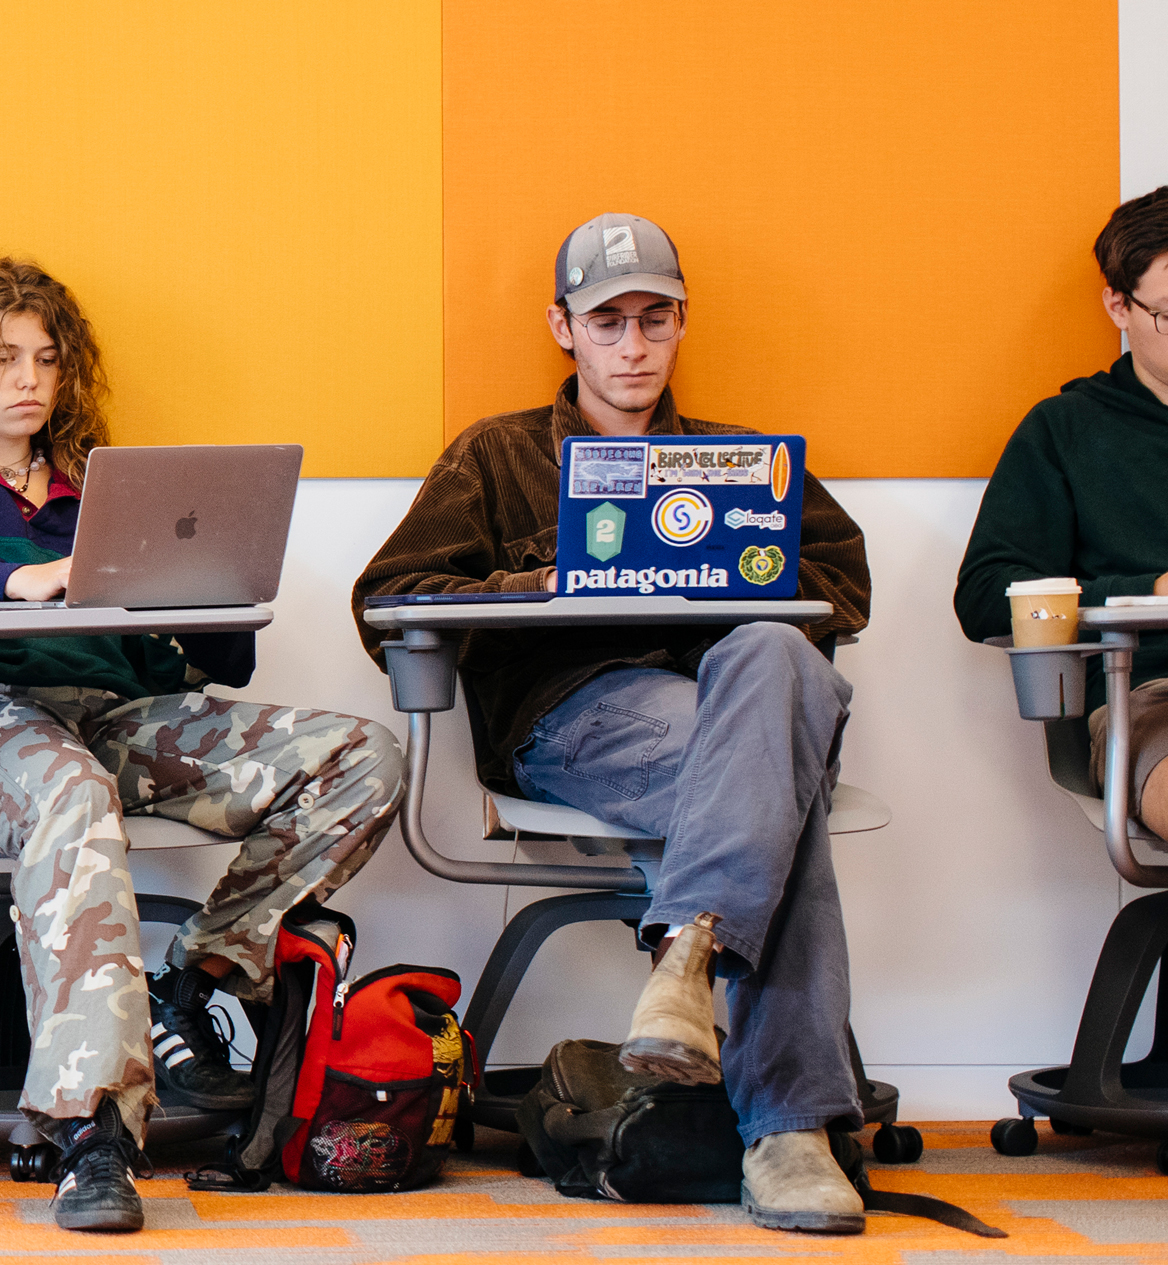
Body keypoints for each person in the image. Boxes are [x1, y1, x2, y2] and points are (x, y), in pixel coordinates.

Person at [0, 259, 400, 1232]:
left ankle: (206, 972)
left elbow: (210, 660)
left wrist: (218, 588)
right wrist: (14, 583)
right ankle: (91, 1129)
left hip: (107, 708)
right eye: (1, 355)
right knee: (72, 789)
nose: (27, 378)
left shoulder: (107, 484)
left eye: (46, 359)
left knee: (361, 755)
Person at [352, 213, 872, 1234]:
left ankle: (684, 953)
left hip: (733, 705)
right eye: (605, 322)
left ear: (681, 323)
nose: (631, 347)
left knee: (772, 655)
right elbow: (388, 597)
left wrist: (732, 574)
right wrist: (539, 584)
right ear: (562, 326)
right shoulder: (495, 456)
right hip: (579, 718)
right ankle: (788, 1130)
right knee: (779, 793)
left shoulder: (739, 462)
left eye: (653, 319)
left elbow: (839, 589)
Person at [961, 186, 1168, 862]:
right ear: (1118, 306)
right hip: (1155, 700)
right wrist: (1152, 589)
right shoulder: (1066, 430)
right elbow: (986, 593)